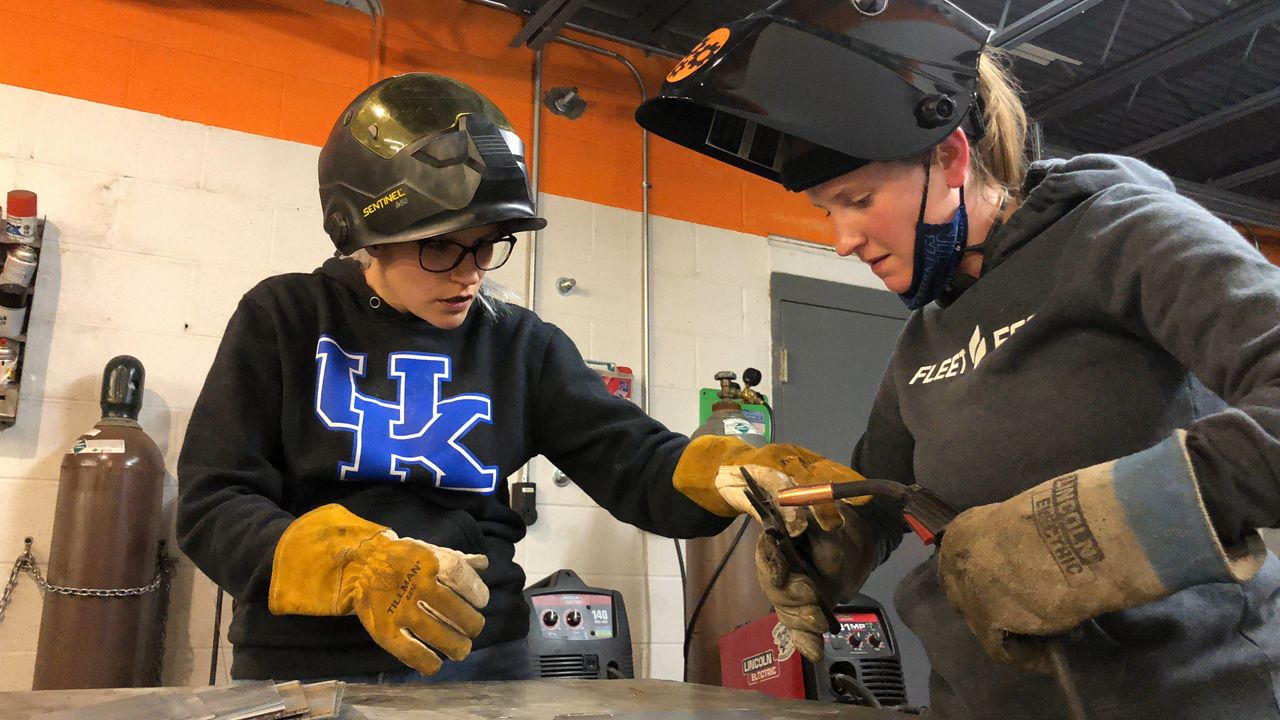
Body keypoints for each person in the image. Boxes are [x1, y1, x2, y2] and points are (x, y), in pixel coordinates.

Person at [637, 1, 1280, 717]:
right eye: (827, 210)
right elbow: (881, 502)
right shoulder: (925, 340)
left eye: (857, 198)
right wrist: (825, 544)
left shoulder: (1122, 235)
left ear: (948, 156)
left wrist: (1107, 522)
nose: (844, 238)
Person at [176, 72, 863, 683]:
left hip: (483, 665)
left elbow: (631, 459)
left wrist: (721, 473)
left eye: (485, 244)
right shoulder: (286, 317)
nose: (470, 272)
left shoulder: (520, 345)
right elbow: (214, 502)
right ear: (357, 229)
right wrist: (348, 565)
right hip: (304, 667)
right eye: (440, 245)